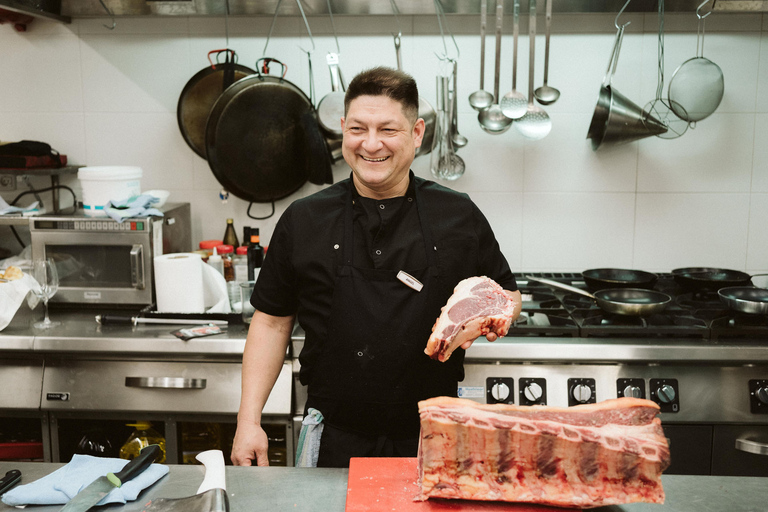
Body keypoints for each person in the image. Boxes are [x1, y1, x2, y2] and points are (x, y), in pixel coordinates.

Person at [231, 67, 522, 468]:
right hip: (333, 433)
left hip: (433, 433)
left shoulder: (458, 215)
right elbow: (270, 323)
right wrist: (249, 421)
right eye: (357, 129)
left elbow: (507, 294)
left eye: (388, 129)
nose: (371, 144)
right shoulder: (304, 219)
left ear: (417, 134)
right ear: (342, 130)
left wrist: (484, 319)